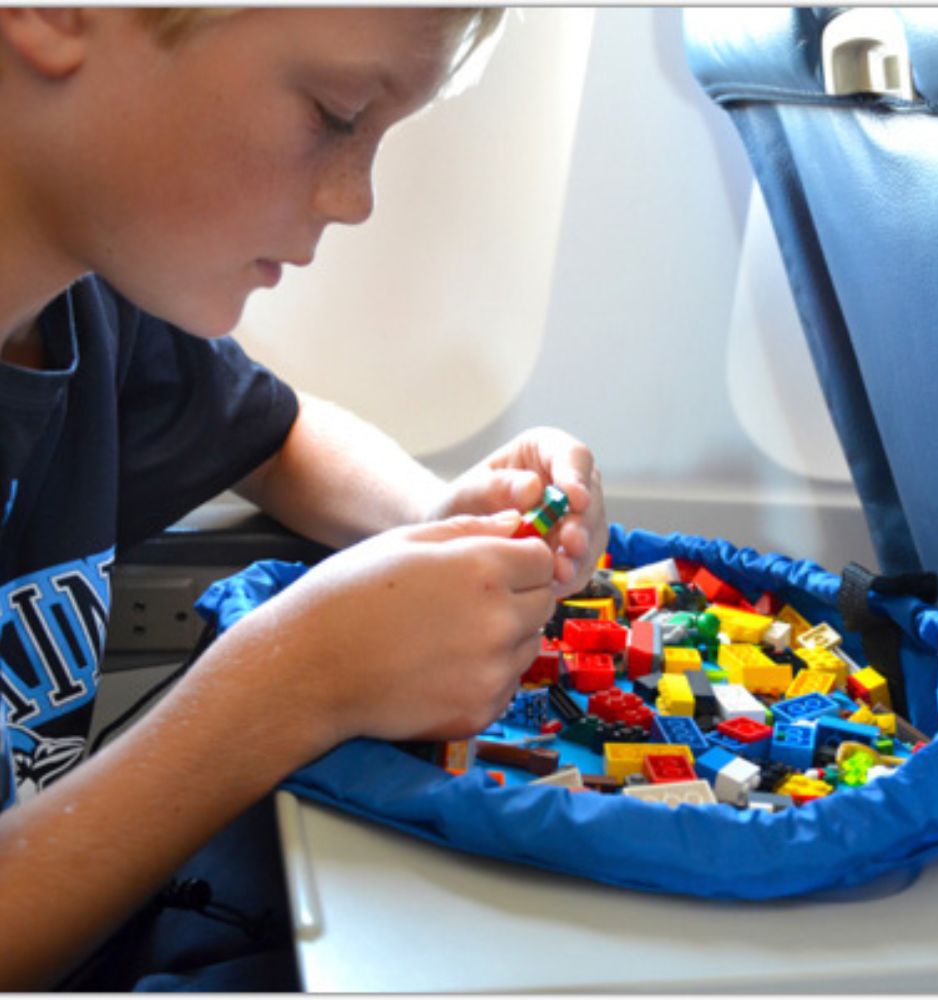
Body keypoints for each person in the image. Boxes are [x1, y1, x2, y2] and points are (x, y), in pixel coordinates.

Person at [0, 6, 608, 991]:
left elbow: (278, 437)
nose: (359, 199)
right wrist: (288, 686)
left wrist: (442, 516)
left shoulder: (84, 313)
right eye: (335, 113)